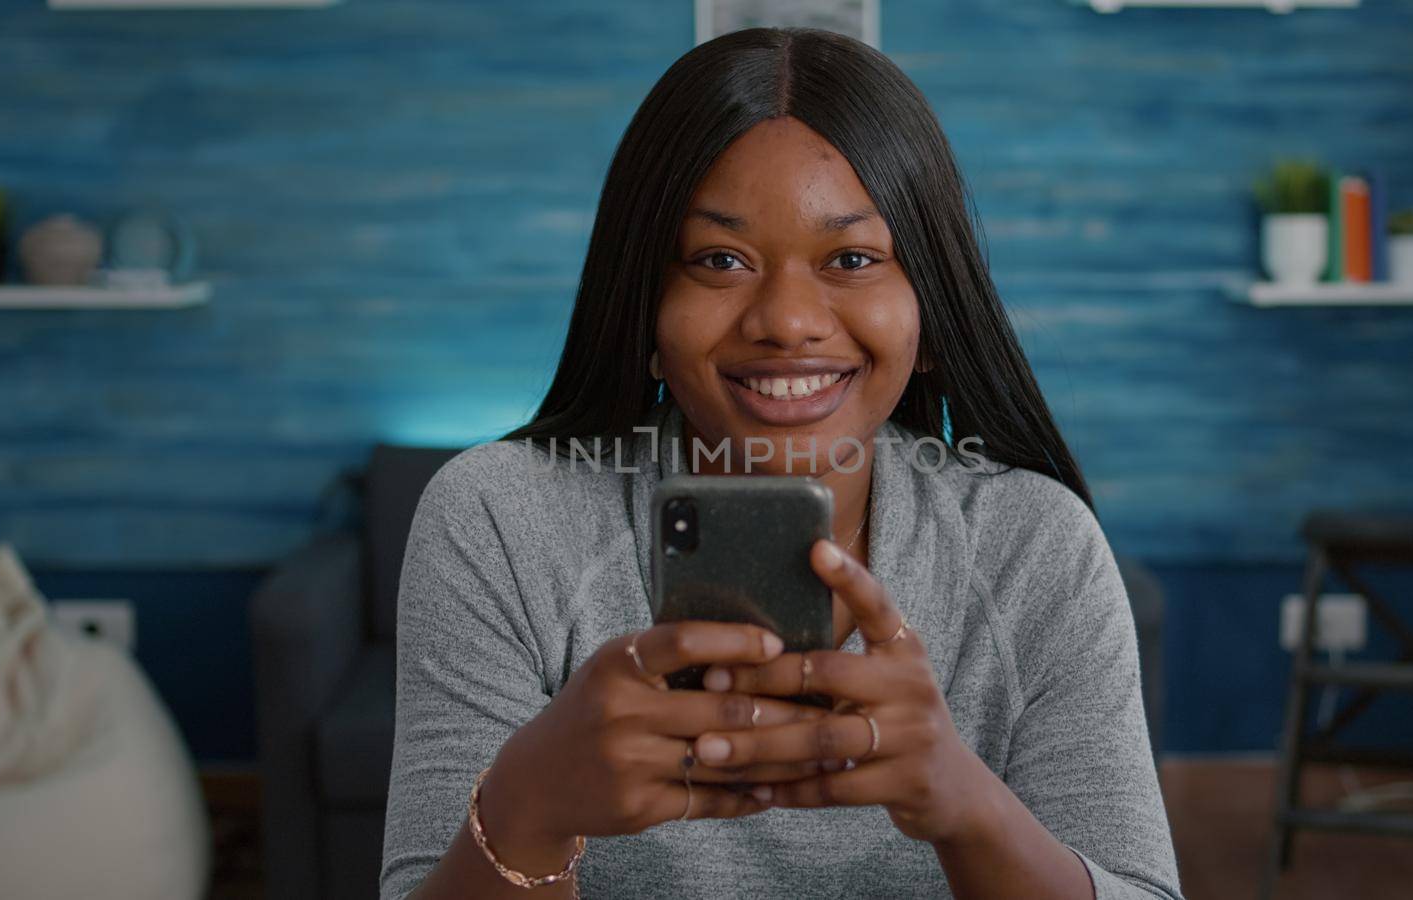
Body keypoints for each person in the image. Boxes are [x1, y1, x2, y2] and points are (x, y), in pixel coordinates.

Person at [380, 26, 1182, 900]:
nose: (787, 320)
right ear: (646, 312)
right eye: (721, 259)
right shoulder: (498, 520)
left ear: (930, 311)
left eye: (852, 259)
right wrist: (528, 806)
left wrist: (966, 805)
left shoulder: (1037, 546)